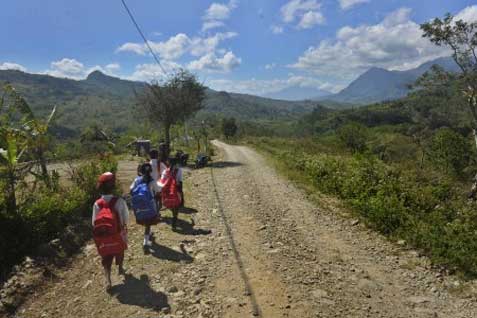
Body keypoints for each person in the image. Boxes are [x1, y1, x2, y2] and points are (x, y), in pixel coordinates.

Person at [92, 172, 129, 290]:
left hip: (103, 235)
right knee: (120, 249)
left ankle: (108, 279)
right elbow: (125, 218)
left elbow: (94, 222)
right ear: (113, 186)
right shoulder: (120, 201)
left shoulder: (97, 204)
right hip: (117, 232)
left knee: (106, 256)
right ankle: (120, 268)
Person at [130, 163, 161, 254]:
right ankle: (145, 242)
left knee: (144, 220)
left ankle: (148, 235)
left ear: (141, 171)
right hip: (150, 204)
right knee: (148, 223)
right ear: (150, 170)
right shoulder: (152, 180)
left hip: (139, 205)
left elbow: (131, 189)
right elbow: (158, 190)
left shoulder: (137, 179)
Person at [159, 158, 184, 230]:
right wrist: (181, 195)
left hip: (167, 192)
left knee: (171, 206)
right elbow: (180, 182)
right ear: (176, 164)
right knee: (176, 208)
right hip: (175, 191)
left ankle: (173, 218)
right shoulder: (179, 170)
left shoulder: (165, 171)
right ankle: (174, 222)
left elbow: (162, 182)